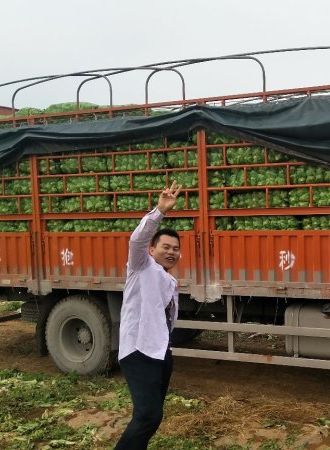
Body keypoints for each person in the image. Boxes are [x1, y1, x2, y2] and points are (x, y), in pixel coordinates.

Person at [114, 180, 183, 449]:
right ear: (152, 249)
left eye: (176, 249)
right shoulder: (140, 266)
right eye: (166, 247)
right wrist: (160, 211)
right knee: (148, 415)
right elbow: (137, 239)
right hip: (138, 351)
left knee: (152, 417)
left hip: (161, 353)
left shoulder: (169, 280)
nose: (171, 252)